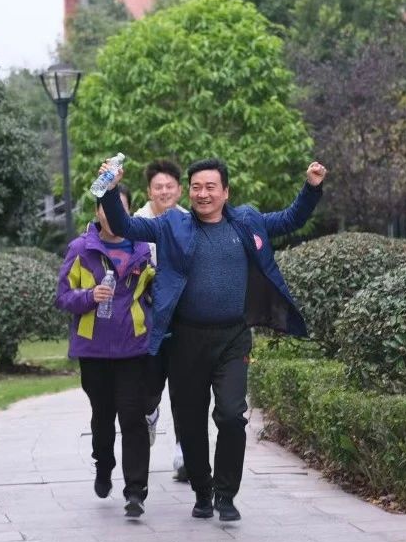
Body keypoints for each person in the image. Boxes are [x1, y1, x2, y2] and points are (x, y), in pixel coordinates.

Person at [99, 157, 327, 522]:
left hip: (233, 338)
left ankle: (226, 495)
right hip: (186, 340)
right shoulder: (173, 224)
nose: (203, 194)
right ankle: (202, 491)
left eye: (210, 187)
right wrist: (110, 190)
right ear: (188, 192)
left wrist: (312, 187)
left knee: (232, 415)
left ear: (225, 192)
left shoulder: (246, 221)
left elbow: (290, 219)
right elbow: (125, 225)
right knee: (190, 424)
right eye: (196, 188)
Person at [55, 184, 159, 519]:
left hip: (134, 348)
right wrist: (89, 296)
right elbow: (62, 297)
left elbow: (157, 293)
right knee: (102, 416)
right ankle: (104, 464)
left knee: (132, 417)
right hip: (94, 350)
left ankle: (136, 491)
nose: (112, 214)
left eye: (119, 208)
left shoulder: (143, 250)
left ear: (127, 212)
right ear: (97, 211)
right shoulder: (81, 249)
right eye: (106, 207)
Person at [134, 159, 189, 482]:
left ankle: (183, 452)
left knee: (185, 389)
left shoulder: (189, 222)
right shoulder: (136, 224)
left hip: (183, 322)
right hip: (149, 321)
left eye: (170, 186)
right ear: (149, 191)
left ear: (179, 190)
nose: (164, 191)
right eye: (159, 187)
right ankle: (150, 413)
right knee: (150, 388)